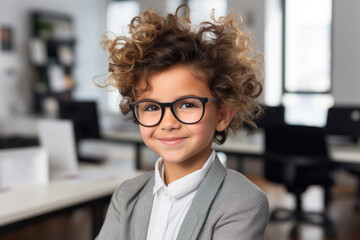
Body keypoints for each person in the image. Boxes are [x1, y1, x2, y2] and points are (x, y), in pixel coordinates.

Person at [96, 4, 269, 240]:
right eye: (152, 107)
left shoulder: (242, 202)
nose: (167, 123)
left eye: (187, 105)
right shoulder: (126, 195)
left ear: (222, 115)